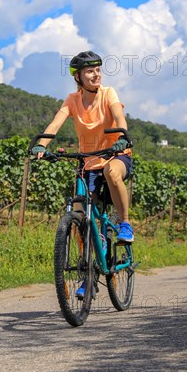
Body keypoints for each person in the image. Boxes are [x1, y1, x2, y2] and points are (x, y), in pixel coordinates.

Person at [31, 51, 134, 244]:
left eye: (98, 70)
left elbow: (120, 117)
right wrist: (41, 145)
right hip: (89, 161)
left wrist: (122, 137)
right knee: (79, 210)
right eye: (89, 71)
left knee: (111, 172)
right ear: (78, 77)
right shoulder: (72, 100)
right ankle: (85, 265)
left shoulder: (108, 93)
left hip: (116, 154)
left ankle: (125, 224)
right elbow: (54, 125)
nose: (96, 74)